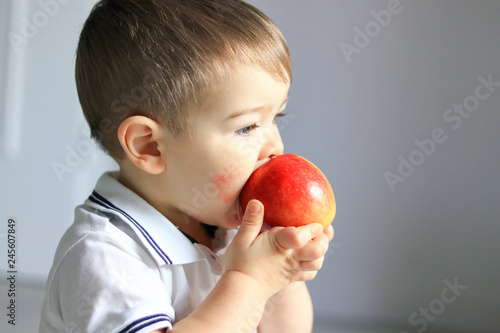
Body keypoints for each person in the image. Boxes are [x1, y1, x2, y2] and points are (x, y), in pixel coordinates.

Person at [40, 0, 334, 332]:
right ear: (150, 146)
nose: (276, 146)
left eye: (276, 117)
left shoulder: (225, 227)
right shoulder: (103, 256)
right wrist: (249, 282)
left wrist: (283, 274)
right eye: (247, 127)